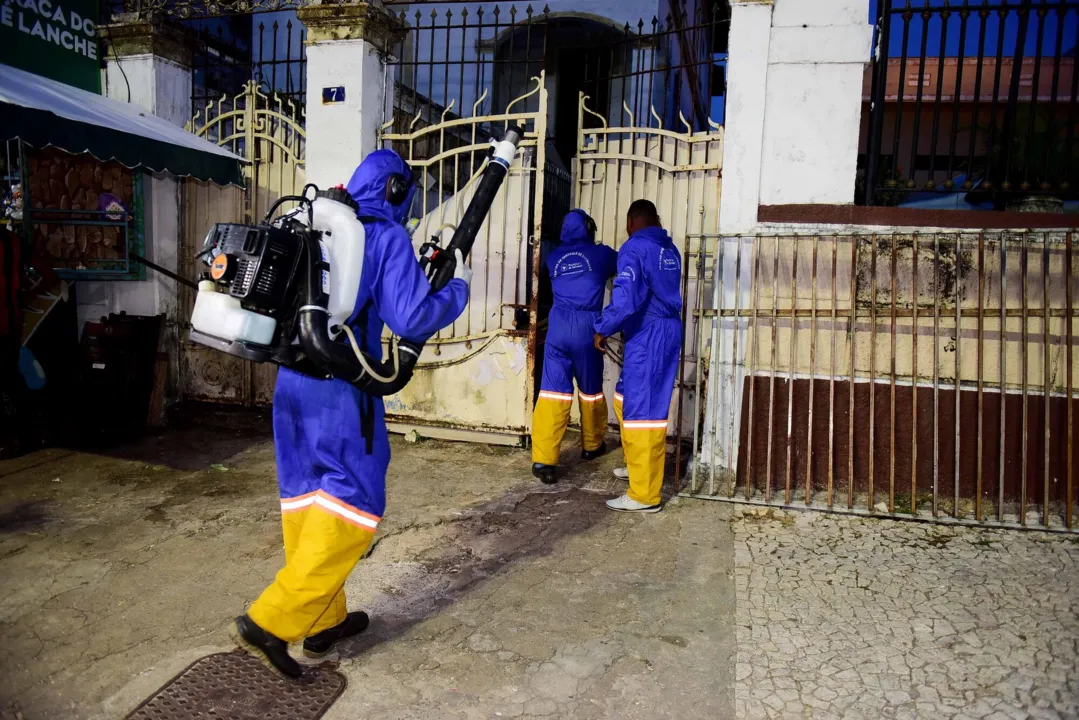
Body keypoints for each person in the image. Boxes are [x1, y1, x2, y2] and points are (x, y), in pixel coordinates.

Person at [232, 149, 473, 678]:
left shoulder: (315, 224)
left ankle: (323, 620)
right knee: (352, 504)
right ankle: (273, 620)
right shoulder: (382, 235)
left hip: (292, 386)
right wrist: (457, 289)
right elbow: (410, 315)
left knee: (307, 497)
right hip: (343, 389)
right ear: (393, 190)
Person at [593, 200, 682, 513]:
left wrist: (602, 327)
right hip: (663, 330)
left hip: (650, 334)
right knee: (624, 398)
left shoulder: (634, 248)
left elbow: (627, 300)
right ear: (656, 219)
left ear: (631, 221)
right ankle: (638, 466)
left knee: (643, 411)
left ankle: (644, 495)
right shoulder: (669, 249)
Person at [531, 209, 617, 483]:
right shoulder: (601, 255)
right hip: (586, 327)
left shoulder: (554, 257)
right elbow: (623, 264)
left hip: (557, 328)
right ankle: (592, 446)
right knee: (590, 391)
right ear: (588, 229)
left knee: (552, 394)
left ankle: (544, 461)